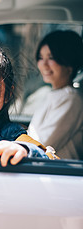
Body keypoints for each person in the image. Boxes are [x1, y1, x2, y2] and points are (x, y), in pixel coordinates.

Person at [28, 30, 83, 159]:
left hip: (60, 173)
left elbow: (42, 143)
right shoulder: (55, 94)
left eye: (51, 58)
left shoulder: (71, 98)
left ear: (69, 64)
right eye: (41, 58)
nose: (44, 64)